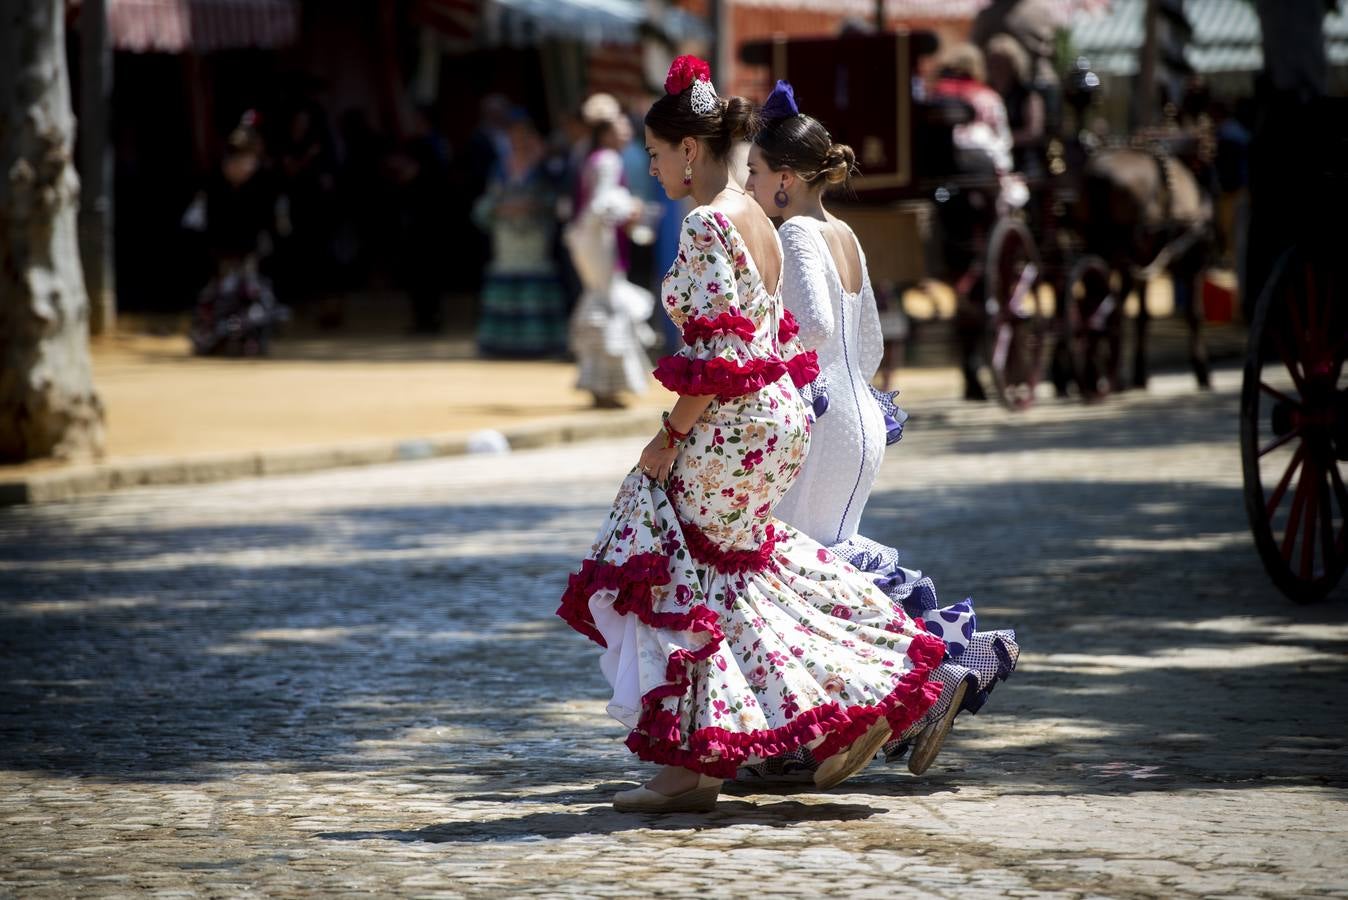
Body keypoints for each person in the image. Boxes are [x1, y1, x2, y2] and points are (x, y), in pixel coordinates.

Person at [556, 56, 949, 814]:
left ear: (691, 150)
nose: (654, 165)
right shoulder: (753, 214)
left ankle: (830, 703)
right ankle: (721, 755)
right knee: (733, 573)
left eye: (659, 152)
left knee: (668, 560)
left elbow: (713, 353)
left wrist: (668, 437)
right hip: (780, 419)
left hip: (735, 422)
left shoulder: (706, 221)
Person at [743, 80, 1020, 779]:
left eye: (753, 173)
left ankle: (907, 693)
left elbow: (815, 326)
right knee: (828, 568)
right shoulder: (846, 234)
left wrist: (760, 346)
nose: (747, 185)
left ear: (784, 179)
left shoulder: (798, 233)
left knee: (799, 576)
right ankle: (905, 691)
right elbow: (866, 348)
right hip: (861, 413)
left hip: (825, 417)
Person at [564, 93, 657, 408]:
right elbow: (601, 206)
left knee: (603, 303)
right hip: (598, 243)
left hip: (590, 240)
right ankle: (603, 384)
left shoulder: (591, 156)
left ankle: (600, 382)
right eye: (620, 126)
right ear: (605, 132)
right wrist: (631, 208)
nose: (627, 131)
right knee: (608, 305)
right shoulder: (607, 159)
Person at [472, 114, 569, 357]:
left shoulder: (543, 165)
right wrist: (501, 207)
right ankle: (502, 344)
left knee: (534, 278)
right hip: (506, 233)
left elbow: (555, 198)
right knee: (507, 275)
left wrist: (532, 204)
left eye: (523, 135)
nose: (519, 140)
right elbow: (489, 199)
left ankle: (538, 343)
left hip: (534, 232)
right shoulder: (500, 166)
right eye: (514, 136)